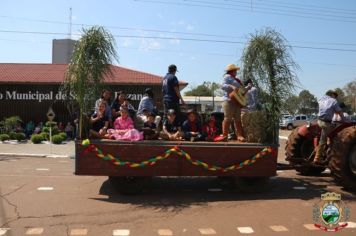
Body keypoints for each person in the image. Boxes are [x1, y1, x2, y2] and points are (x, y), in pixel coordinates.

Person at [219, 64, 250, 142]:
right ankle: (225, 136)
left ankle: (239, 135)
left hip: (237, 101)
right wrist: (231, 86)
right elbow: (222, 86)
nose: (236, 72)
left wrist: (248, 88)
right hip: (228, 100)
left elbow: (241, 91)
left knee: (237, 118)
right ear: (232, 71)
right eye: (235, 70)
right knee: (228, 118)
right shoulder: (227, 77)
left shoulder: (237, 80)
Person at [314, 90, 345, 164]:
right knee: (326, 140)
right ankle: (317, 158)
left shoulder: (321, 99)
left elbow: (324, 109)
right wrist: (344, 120)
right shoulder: (333, 101)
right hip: (326, 123)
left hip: (319, 121)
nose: (336, 97)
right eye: (335, 95)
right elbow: (340, 112)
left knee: (322, 137)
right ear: (332, 94)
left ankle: (322, 150)